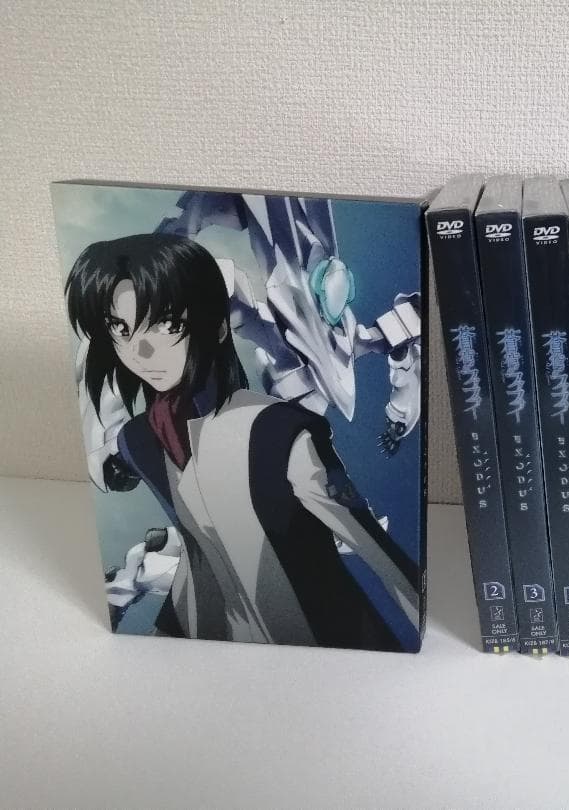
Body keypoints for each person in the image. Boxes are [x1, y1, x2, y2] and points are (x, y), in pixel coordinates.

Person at [66, 233, 419, 650]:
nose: (140, 351)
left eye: (167, 324)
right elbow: (200, 559)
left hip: (329, 648)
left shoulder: (280, 431)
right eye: (121, 328)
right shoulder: (139, 441)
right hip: (217, 650)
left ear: (216, 327)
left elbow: (380, 553)